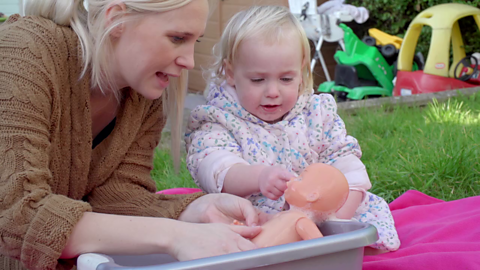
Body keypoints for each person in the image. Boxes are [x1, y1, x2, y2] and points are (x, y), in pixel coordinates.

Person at [0, 1, 267, 269]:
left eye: (194, 42)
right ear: (117, 19)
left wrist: (199, 209)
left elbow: (117, 198)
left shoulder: (142, 93)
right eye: (177, 38)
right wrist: (175, 236)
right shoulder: (22, 54)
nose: (189, 61)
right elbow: (16, 215)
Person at [185, 5, 400, 252]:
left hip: (325, 215)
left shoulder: (316, 113)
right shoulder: (220, 119)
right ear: (231, 74)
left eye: (286, 79)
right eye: (258, 80)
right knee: (226, 238)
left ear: (302, 73)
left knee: (352, 218)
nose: (273, 92)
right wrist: (259, 177)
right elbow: (215, 167)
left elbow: (345, 163)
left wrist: (336, 219)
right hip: (256, 221)